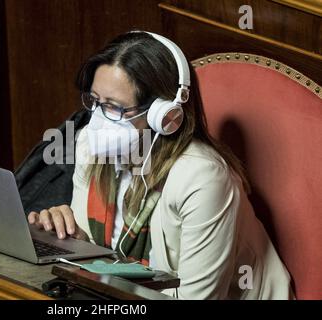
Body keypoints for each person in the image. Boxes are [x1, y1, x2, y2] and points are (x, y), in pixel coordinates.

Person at [28, 31, 293, 299]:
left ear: (165, 116)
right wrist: (69, 237)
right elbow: (92, 261)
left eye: (115, 107)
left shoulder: (203, 178)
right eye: (96, 101)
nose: (98, 120)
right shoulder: (89, 144)